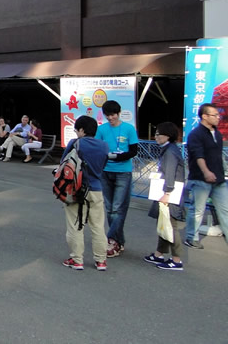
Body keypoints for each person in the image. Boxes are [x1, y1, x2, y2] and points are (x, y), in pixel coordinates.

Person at [60, 116, 109, 271]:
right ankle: (101, 261)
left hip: (76, 190)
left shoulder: (75, 143)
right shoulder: (104, 146)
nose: (76, 132)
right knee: (98, 227)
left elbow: (64, 164)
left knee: (75, 226)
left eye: (76, 129)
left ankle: (77, 259)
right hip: (96, 189)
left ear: (81, 130)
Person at [95, 100, 139, 257]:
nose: (110, 118)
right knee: (109, 208)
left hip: (123, 171)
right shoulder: (101, 129)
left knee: (117, 208)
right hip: (105, 171)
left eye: (113, 115)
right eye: (107, 116)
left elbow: (134, 150)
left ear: (119, 113)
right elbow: (98, 148)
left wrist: (120, 157)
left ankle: (111, 239)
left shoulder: (128, 128)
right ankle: (118, 242)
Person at [184, 103, 228, 249]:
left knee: (225, 209)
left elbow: (218, 155)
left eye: (218, 115)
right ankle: (192, 237)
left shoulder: (217, 134)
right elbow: (198, 155)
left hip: (219, 179)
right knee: (197, 209)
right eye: (214, 115)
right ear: (204, 116)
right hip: (201, 178)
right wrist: (206, 172)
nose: (218, 117)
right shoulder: (196, 134)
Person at [144, 122, 187, 270]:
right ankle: (159, 254)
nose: (155, 137)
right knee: (164, 223)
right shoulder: (170, 149)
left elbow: (170, 173)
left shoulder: (169, 152)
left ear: (167, 136)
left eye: (158, 134)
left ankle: (176, 260)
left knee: (170, 225)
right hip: (167, 193)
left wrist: (167, 193)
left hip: (169, 194)